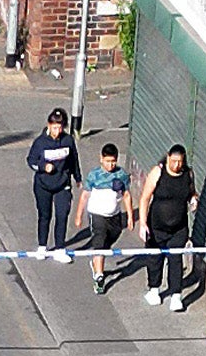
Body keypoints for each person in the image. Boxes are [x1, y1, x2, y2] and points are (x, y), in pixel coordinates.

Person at [136, 143, 198, 309]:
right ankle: (154, 289)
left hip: (178, 228)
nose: (177, 165)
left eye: (180, 162)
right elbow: (145, 198)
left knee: (175, 259)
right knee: (155, 258)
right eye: (174, 161)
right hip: (156, 226)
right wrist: (143, 224)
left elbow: (192, 192)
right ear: (168, 157)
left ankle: (176, 295)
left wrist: (193, 200)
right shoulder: (158, 172)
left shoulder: (188, 174)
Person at [27, 109, 81, 260]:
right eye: (54, 127)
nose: (57, 131)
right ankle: (42, 246)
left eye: (60, 127)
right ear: (48, 125)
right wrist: (44, 167)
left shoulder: (68, 140)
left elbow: (73, 160)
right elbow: (31, 161)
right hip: (43, 185)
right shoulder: (40, 142)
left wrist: (78, 178)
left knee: (62, 215)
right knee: (45, 215)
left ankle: (60, 248)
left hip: (62, 184)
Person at [80, 140, 131, 290]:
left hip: (114, 216)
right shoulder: (94, 175)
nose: (110, 165)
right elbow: (84, 195)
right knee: (100, 242)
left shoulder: (121, 175)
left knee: (113, 236)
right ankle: (99, 277)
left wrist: (129, 216)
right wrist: (78, 215)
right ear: (101, 159)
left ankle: (96, 259)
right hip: (97, 214)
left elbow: (126, 195)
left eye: (113, 161)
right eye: (107, 161)